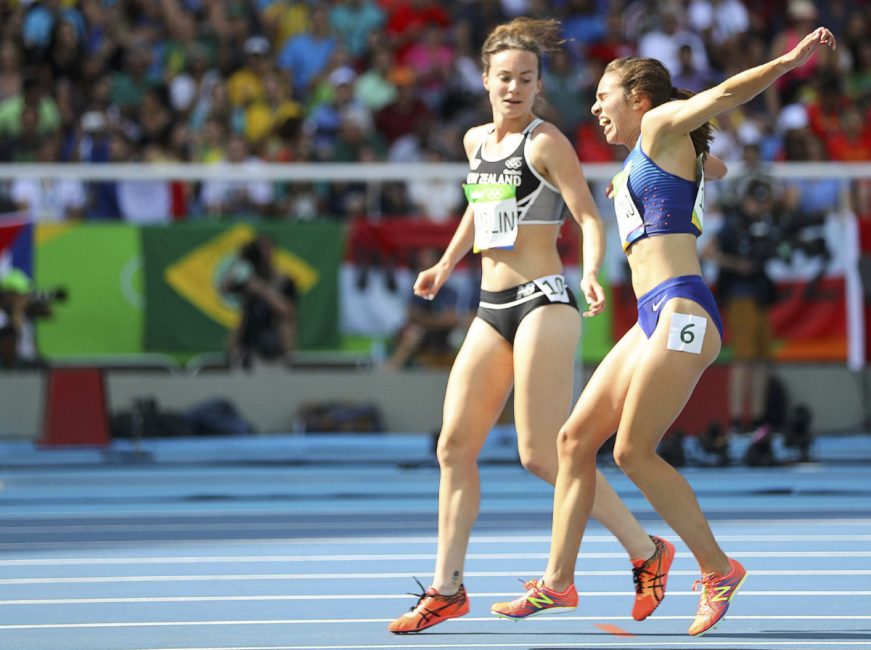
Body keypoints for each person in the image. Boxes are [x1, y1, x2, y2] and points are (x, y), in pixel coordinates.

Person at [491, 26, 836, 636]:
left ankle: (717, 568)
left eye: (605, 96)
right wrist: (689, 165)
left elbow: (725, 93)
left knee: (631, 451)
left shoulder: (658, 127)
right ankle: (557, 583)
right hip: (652, 312)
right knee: (573, 442)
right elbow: (716, 165)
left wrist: (785, 62)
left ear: (640, 99)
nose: (595, 108)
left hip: (683, 310)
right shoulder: (652, 151)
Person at [388, 17, 677, 635]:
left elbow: (587, 215)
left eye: (526, 79)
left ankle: (646, 549)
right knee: (453, 447)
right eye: (504, 78)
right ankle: (447, 588)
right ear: (485, 80)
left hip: (544, 300)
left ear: (539, 84)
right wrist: (444, 263)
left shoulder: (546, 144)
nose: (514, 88)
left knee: (543, 455)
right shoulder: (474, 142)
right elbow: (478, 206)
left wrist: (593, 271)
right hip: (490, 309)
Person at [220, 235, 298, 369]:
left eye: (267, 249)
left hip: (273, 347)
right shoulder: (248, 279)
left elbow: (287, 311)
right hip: (247, 345)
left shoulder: (284, 280)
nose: (264, 255)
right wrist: (240, 261)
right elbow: (224, 289)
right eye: (260, 250)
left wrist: (262, 290)